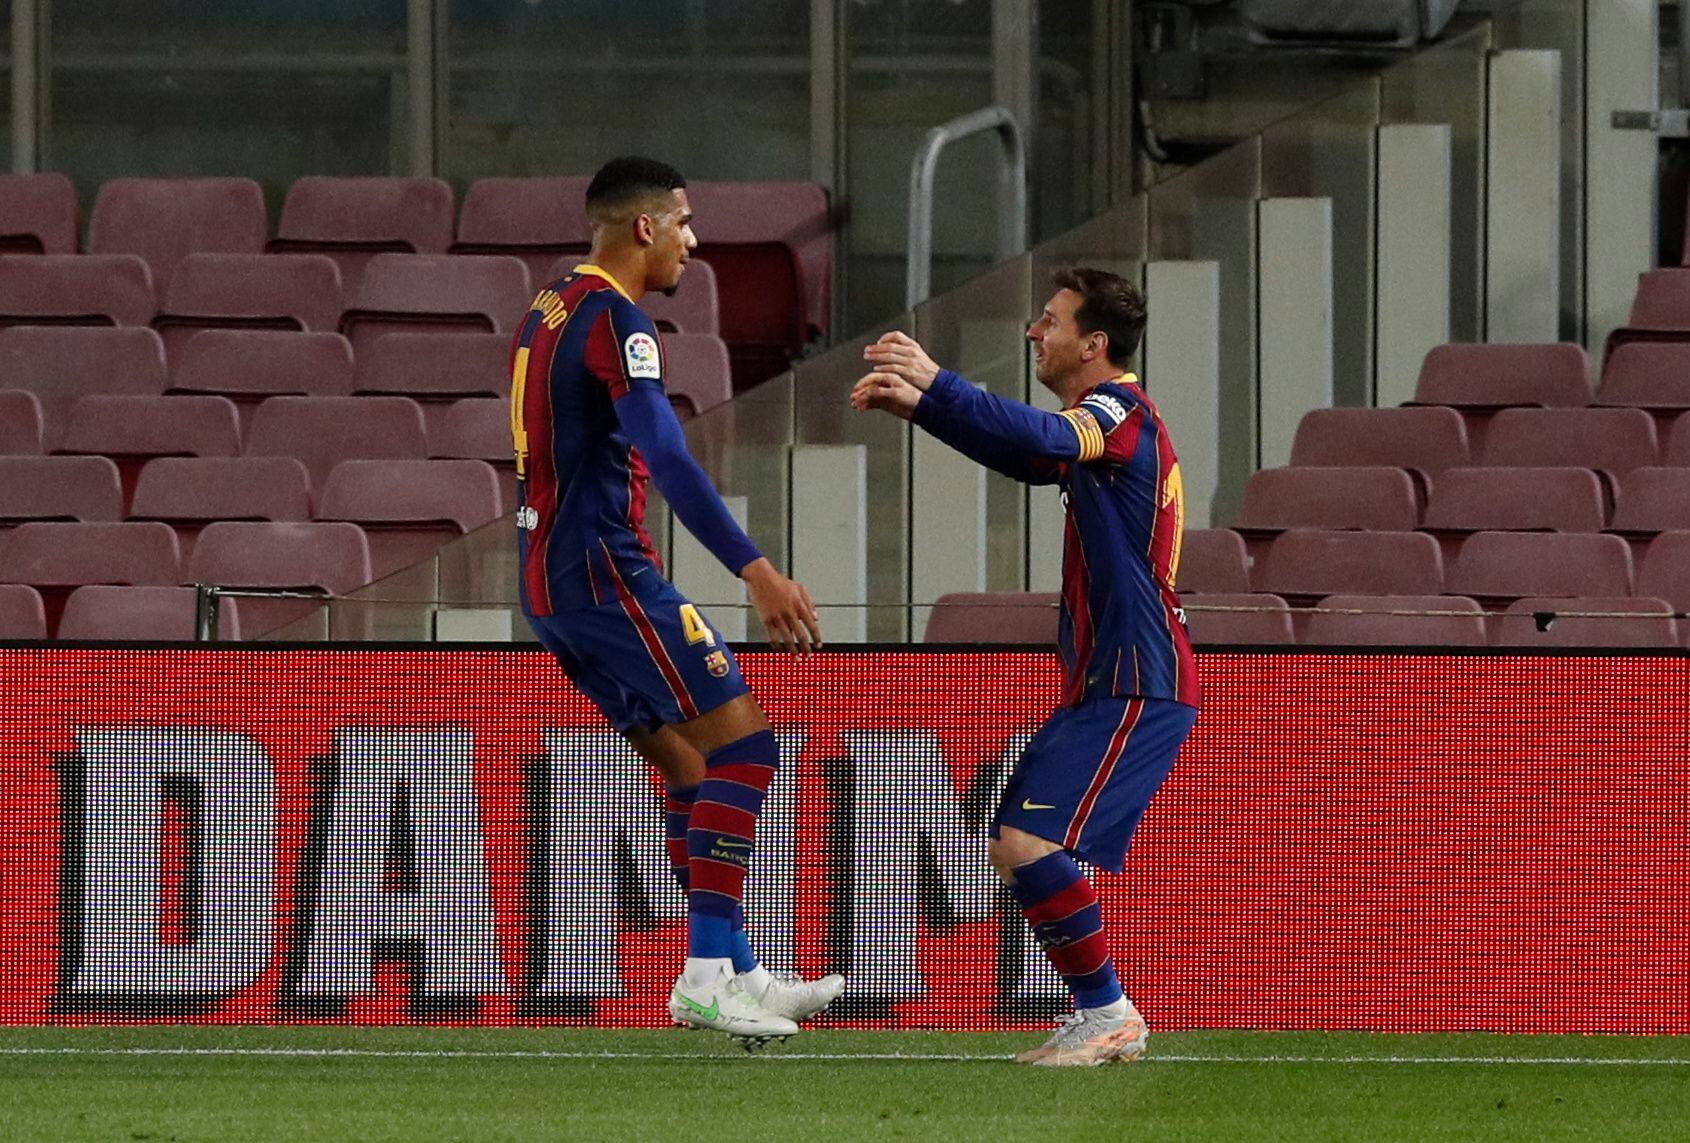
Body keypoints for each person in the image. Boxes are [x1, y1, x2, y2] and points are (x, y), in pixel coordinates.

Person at [511, 155, 844, 1044]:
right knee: (749, 748)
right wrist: (754, 567)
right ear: (645, 227)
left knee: (691, 769)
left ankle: (736, 970)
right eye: (686, 224)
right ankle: (703, 972)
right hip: (604, 571)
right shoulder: (620, 323)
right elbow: (666, 454)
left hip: (547, 582)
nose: (695, 244)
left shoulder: (548, 307)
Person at [852, 267, 1200, 1067]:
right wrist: (922, 407)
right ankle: (1102, 1009)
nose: (1034, 332)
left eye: (1050, 320)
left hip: (1137, 678)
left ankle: (1108, 1010)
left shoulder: (1121, 410)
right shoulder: (1102, 428)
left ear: (1094, 343)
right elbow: (1028, 457)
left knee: (1028, 837)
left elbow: (1045, 440)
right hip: (1107, 680)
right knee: (1016, 838)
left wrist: (938, 379)